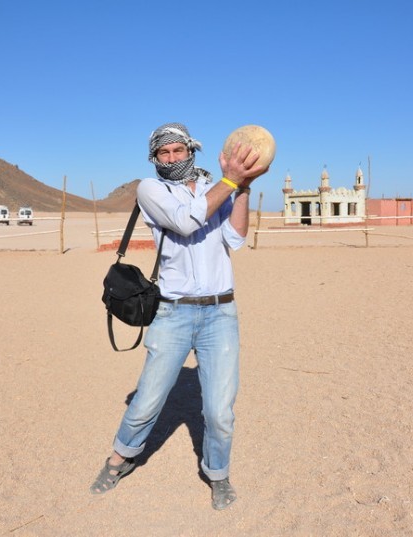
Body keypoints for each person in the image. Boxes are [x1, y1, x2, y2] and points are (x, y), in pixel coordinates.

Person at [90, 122, 267, 510]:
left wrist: (243, 187)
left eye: (178, 151)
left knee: (219, 411)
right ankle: (118, 460)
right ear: (153, 158)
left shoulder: (212, 188)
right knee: (149, 399)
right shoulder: (151, 189)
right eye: (163, 153)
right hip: (173, 313)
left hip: (221, 312)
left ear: (191, 151)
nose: (171, 159)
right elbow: (186, 221)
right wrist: (231, 180)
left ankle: (217, 475)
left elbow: (235, 238)